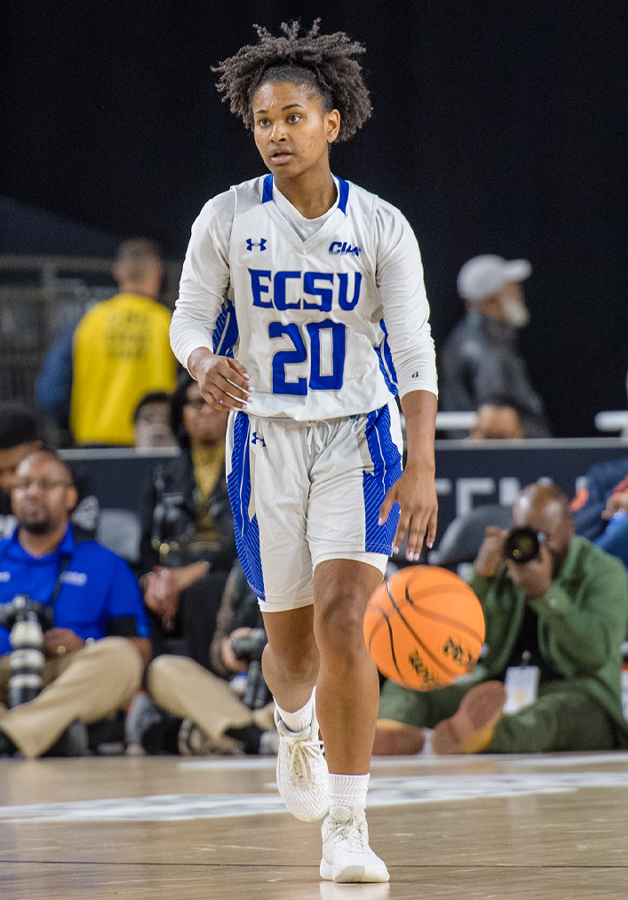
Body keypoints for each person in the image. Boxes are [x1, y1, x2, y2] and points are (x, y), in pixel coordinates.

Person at [169, 21, 438, 884]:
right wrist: (205, 360)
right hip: (265, 443)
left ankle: (349, 827)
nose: (275, 133)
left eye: (291, 116)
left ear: (332, 121)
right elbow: (186, 318)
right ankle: (295, 730)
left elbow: (417, 351)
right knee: (291, 655)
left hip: (357, 437)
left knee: (341, 618)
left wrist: (424, 461)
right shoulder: (227, 218)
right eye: (261, 120)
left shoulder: (383, 227)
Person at [374, 482, 628, 756]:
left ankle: (482, 737)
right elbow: (450, 633)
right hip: (498, 690)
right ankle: (388, 731)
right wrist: (480, 578)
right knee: (412, 684)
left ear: (569, 529)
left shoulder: (604, 572)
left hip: (582, 696)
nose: (533, 546)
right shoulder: (504, 564)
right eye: (525, 534)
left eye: (545, 537)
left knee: (551, 717)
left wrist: (546, 594)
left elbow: (596, 652)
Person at [0, 451, 151, 759]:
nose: (33, 492)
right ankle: (44, 734)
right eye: (23, 485)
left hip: (66, 673)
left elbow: (140, 648)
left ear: (72, 497)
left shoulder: (105, 563)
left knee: (121, 657)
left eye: (46, 484)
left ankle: (2, 738)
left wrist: (84, 644)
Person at [36, 238, 177, 446]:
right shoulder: (169, 325)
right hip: (155, 443)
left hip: (94, 444)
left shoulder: (87, 323)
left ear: (117, 271)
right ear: (158, 273)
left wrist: (73, 425)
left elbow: (52, 392)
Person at [140, 377, 236, 669]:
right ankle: (156, 697)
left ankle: (208, 694)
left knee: (202, 592)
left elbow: (252, 539)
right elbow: (146, 544)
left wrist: (191, 574)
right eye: (196, 402)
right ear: (181, 413)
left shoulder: (251, 468)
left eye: (217, 401)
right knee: (138, 595)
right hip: (172, 570)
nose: (207, 410)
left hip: (228, 569)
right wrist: (154, 581)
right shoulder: (161, 476)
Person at [141, 560, 276, 756]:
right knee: (162, 669)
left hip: (288, 694)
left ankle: (238, 735)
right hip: (242, 693)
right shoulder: (241, 570)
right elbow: (217, 651)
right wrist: (227, 651)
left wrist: (267, 643)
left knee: (316, 700)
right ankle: (261, 734)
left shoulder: (313, 558)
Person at [439, 254, 550, 438]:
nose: (518, 295)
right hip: (504, 463)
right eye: (511, 289)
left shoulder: (466, 337)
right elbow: (495, 422)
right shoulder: (486, 347)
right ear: (492, 298)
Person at [0, 401, 98, 544]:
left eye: (16, 468)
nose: (7, 480)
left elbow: (84, 544)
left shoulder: (67, 479)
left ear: (37, 449)